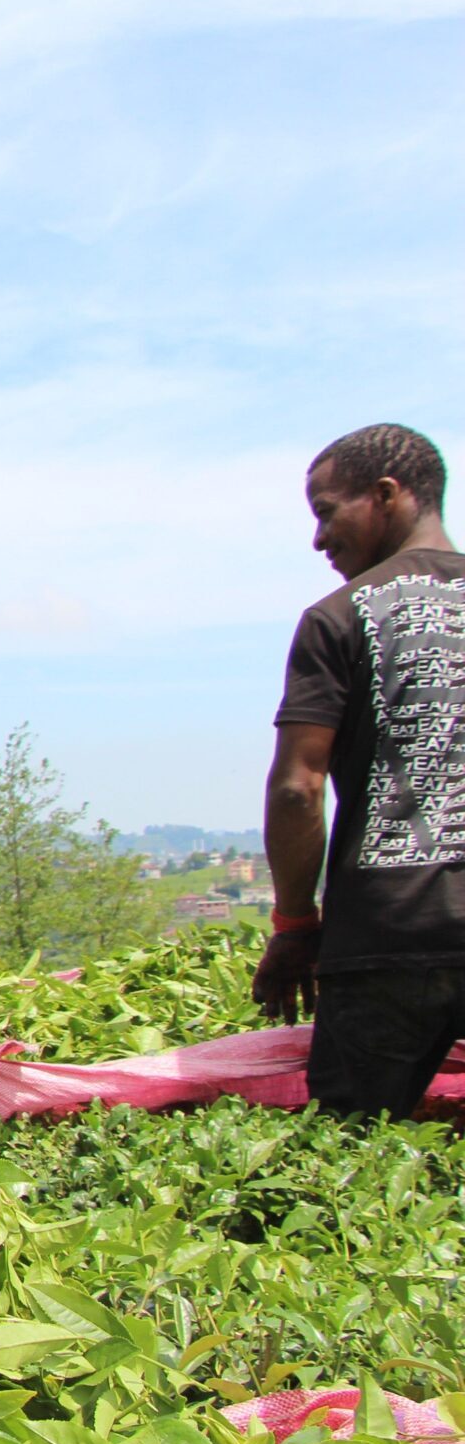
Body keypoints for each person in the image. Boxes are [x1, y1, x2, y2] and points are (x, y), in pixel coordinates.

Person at [255, 422, 465, 1118]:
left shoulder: (338, 618)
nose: (318, 538)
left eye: (326, 510)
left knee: (352, 1164)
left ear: (385, 494)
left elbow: (297, 787)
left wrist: (293, 924)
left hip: (387, 933)